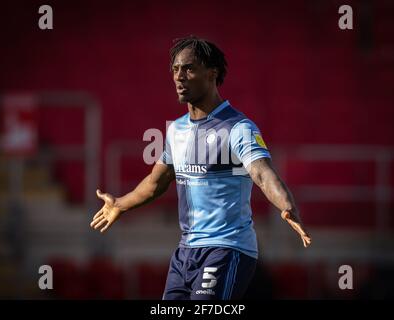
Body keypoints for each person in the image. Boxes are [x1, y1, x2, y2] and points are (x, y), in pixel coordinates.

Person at [90, 36, 311, 300]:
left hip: (227, 249)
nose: (179, 76)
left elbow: (262, 174)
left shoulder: (239, 128)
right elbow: (156, 182)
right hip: (185, 254)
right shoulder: (176, 129)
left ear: (212, 73)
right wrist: (120, 204)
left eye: (188, 68)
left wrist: (286, 204)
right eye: (175, 69)